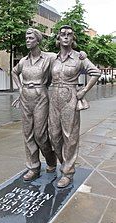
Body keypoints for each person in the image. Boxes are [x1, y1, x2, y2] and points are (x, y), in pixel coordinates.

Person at [49, 25, 101, 188]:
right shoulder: (52, 58)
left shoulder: (79, 57)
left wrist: (84, 90)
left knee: (69, 137)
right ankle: (65, 163)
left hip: (70, 97)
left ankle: (68, 172)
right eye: (62, 34)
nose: (65, 36)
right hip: (54, 98)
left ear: (73, 39)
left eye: (69, 34)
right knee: (54, 136)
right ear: (58, 38)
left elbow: (95, 72)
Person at [12, 28, 57, 181]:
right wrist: (19, 88)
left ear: (38, 40)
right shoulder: (23, 61)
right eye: (26, 37)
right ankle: (34, 167)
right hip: (25, 97)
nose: (27, 40)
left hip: (41, 97)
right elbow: (13, 72)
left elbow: (62, 63)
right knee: (28, 134)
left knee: (40, 134)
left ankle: (51, 159)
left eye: (30, 37)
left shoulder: (49, 58)